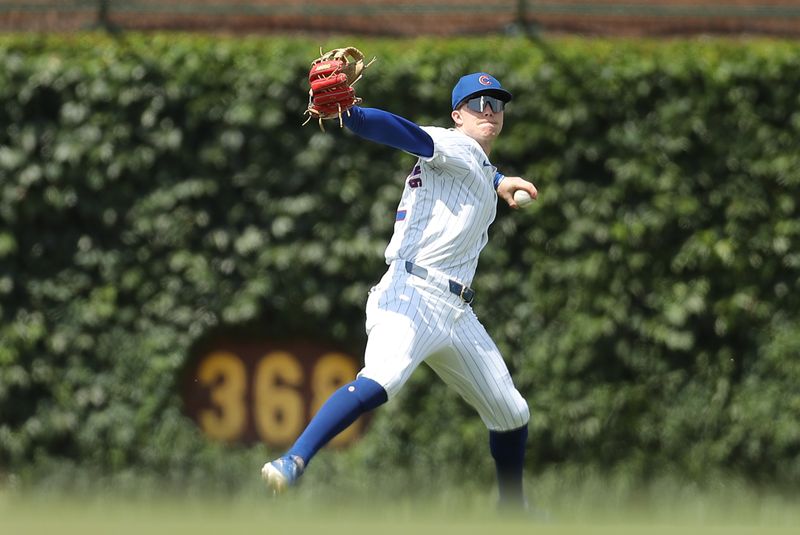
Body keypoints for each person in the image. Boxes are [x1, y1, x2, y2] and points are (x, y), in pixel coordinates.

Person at [262, 72, 538, 509]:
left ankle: (512, 511)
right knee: (383, 378)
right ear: (456, 116)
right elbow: (403, 132)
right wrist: (353, 115)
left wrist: (501, 181)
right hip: (411, 292)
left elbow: (480, 171)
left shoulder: (476, 162)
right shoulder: (455, 144)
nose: (488, 110)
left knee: (511, 413)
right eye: (477, 103)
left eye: (496, 103)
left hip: (456, 311)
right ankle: (294, 459)